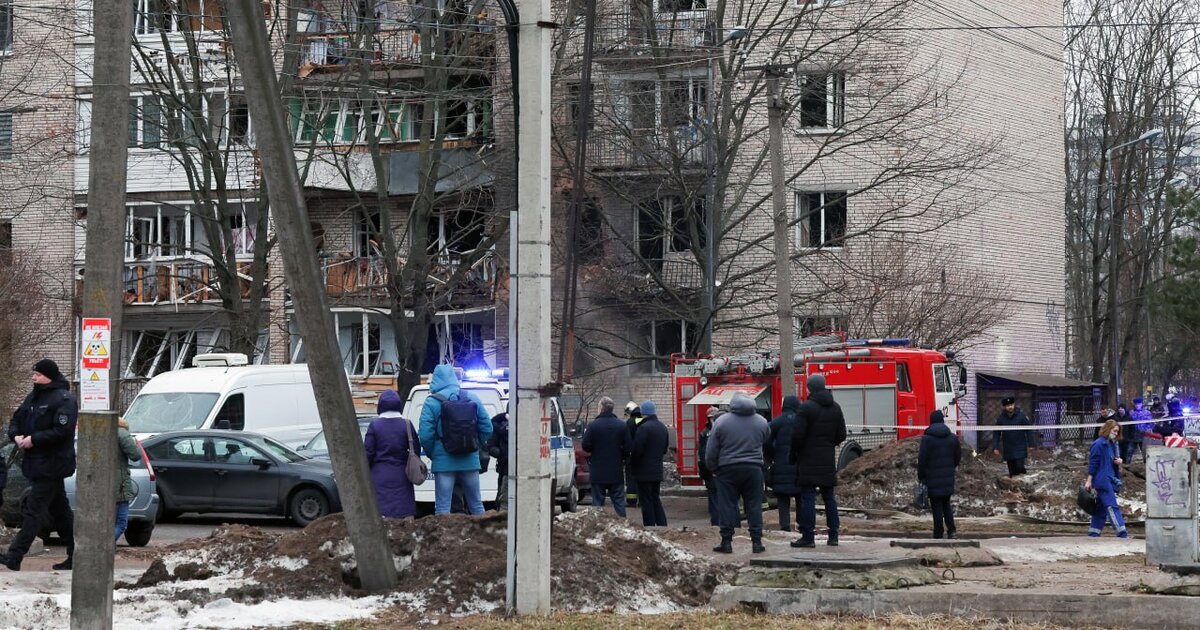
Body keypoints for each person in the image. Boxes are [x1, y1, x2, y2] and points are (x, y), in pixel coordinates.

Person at [1, 359, 78, 571]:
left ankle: (14, 556)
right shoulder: (34, 397)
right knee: (61, 513)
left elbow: (62, 430)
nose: (33, 377)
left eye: (37, 374)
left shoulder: (64, 399)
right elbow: (17, 418)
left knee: (33, 510)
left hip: (53, 464)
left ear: (48, 376)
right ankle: (76, 555)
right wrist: (16, 435)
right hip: (36, 463)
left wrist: (34, 439)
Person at [417, 364, 493, 515]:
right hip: (470, 460)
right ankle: (481, 537)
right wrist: (475, 445)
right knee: (476, 506)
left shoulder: (431, 402)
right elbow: (487, 428)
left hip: (443, 463)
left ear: (435, 380)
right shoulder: (472, 398)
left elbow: (425, 435)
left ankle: (444, 538)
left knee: (443, 508)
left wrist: (435, 454)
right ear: (454, 378)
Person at [705, 393, 771, 553]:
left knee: (727, 505)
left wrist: (714, 468)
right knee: (754, 506)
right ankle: (756, 542)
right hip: (753, 469)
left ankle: (726, 542)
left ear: (731, 404)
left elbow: (711, 449)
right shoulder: (761, 422)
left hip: (727, 470)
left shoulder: (721, 422)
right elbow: (766, 441)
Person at [790, 373, 847, 548]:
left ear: (810, 388)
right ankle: (834, 536)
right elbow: (841, 434)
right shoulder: (835, 407)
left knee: (808, 498)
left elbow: (797, 436)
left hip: (808, 459)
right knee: (829, 497)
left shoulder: (806, 408)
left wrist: (796, 452)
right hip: (827, 458)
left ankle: (808, 537)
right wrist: (829, 444)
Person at [364, 390, 420, 519]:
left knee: (382, 511)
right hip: (402, 473)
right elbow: (416, 448)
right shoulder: (406, 424)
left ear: (380, 405)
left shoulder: (375, 425)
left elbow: (368, 452)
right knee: (404, 512)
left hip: (380, 474)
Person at [581, 396, 631, 517]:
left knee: (597, 503)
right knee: (619, 501)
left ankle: (597, 526)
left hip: (598, 471)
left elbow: (585, 446)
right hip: (616, 470)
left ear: (601, 408)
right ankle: (623, 525)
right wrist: (621, 456)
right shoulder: (622, 426)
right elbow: (629, 447)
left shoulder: (593, 426)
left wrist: (594, 451)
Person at [917, 410, 961, 539]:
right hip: (947, 478)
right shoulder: (953, 438)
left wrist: (921, 476)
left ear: (931, 422)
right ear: (943, 421)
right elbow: (957, 456)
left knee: (936, 506)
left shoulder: (926, 439)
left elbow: (922, 460)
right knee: (946, 504)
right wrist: (950, 468)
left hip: (932, 478)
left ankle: (938, 533)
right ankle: (952, 531)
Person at [1085, 419, 1128, 538]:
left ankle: (1094, 532)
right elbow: (1093, 463)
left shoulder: (1110, 444)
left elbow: (1110, 461)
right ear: (1108, 429)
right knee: (1111, 506)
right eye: (1114, 431)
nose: (1115, 434)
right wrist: (1089, 480)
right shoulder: (1099, 444)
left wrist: (1118, 461)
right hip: (1102, 480)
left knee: (1100, 507)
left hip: (1107, 479)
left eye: (1117, 432)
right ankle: (1122, 532)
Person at [765, 395, 802, 532]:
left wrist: (773, 454)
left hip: (781, 464)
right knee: (800, 497)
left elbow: (766, 442)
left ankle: (785, 526)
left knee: (783, 499)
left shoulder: (776, 422)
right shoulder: (801, 421)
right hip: (799, 465)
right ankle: (802, 524)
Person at [630, 400, 669, 527]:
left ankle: (650, 527)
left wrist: (632, 464)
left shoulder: (643, 428)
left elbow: (637, 450)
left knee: (646, 501)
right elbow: (664, 449)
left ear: (643, 413)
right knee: (655, 498)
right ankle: (662, 525)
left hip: (643, 472)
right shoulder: (662, 428)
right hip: (657, 470)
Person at [114, 417, 142, 543]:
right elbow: (135, 455)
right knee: (121, 522)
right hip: (120, 483)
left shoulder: (104, 433)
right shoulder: (122, 434)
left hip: (104, 483)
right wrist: (137, 445)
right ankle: (105, 545)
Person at [992, 397, 1034, 477]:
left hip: (1020, 446)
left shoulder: (1021, 416)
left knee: (1019, 467)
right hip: (1008, 448)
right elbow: (996, 432)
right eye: (1008, 405)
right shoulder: (1001, 418)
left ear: (1014, 405)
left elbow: (1028, 430)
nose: (1010, 407)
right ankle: (1014, 487)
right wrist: (995, 447)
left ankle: (1023, 481)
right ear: (1004, 407)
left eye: (1011, 405)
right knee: (1012, 471)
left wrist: (1031, 444)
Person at [696, 407, 721, 526]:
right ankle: (716, 522)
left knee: (716, 497)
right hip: (712, 470)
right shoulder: (705, 433)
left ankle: (717, 522)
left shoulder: (708, 432)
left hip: (715, 469)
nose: (713, 420)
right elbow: (703, 453)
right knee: (714, 497)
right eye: (711, 418)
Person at [485, 411, 510, 507]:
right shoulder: (499, 426)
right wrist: (503, 454)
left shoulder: (528, 424)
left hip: (511, 468)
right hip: (505, 469)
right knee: (503, 499)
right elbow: (491, 447)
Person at [623, 401, 643, 507]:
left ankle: (631, 501)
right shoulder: (644, 421)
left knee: (631, 478)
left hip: (631, 456)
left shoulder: (630, 422)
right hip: (643, 456)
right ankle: (642, 500)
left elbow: (627, 440)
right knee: (642, 478)